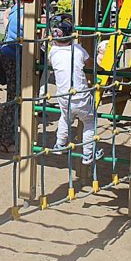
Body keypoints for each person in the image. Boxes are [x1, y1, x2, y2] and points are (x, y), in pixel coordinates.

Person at [48, 15, 103, 164]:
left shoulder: (53, 52)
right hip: (80, 96)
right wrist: (100, 65)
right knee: (89, 121)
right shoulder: (78, 50)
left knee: (65, 118)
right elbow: (90, 63)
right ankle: (88, 153)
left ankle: (60, 144)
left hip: (64, 96)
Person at [0, 1, 23, 151]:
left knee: (12, 97)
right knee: (16, 99)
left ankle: (1, 134)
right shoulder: (24, 12)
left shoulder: (14, 9)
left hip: (8, 53)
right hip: (15, 56)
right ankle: (7, 141)